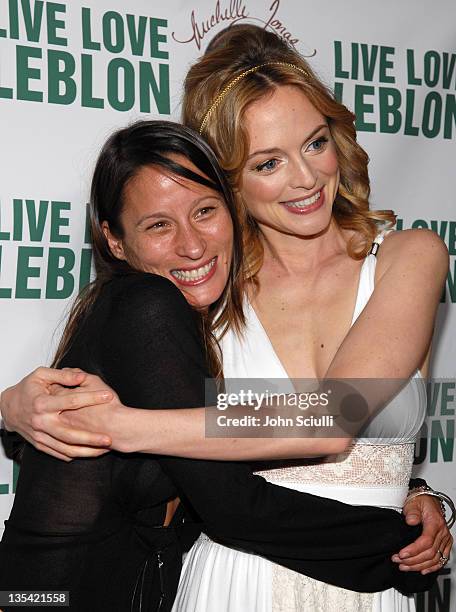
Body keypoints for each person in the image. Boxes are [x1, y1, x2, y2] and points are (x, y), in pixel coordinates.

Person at [1, 26, 452, 609]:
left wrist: (421, 496)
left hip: (370, 587)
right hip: (234, 582)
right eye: (268, 162)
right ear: (229, 178)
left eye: (315, 143)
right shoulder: (205, 292)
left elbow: (338, 415)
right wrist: (13, 406)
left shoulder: (409, 255)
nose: (306, 177)